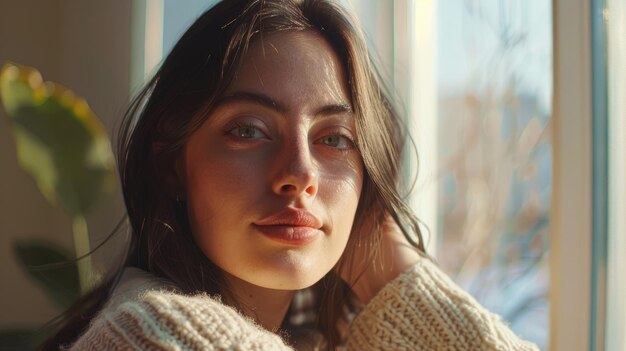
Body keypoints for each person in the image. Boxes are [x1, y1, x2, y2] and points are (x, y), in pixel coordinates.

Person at [41, 0, 539, 350]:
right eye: (249, 130)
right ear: (173, 162)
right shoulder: (157, 335)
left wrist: (388, 264)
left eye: (335, 138)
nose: (300, 174)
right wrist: (397, 277)